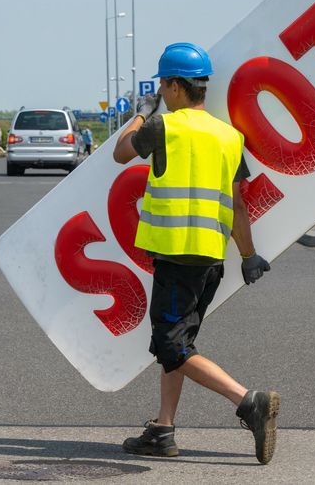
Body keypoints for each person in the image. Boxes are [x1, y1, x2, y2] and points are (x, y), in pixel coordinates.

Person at [112, 42, 277, 465]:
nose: (162, 93)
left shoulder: (164, 127)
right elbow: (238, 204)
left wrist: (141, 112)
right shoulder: (228, 136)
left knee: (169, 347)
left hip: (176, 256)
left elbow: (120, 152)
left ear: (174, 86)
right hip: (211, 260)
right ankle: (163, 430)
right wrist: (248, 254)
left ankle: (248, 401)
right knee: (181, 343)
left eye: (162, 86)